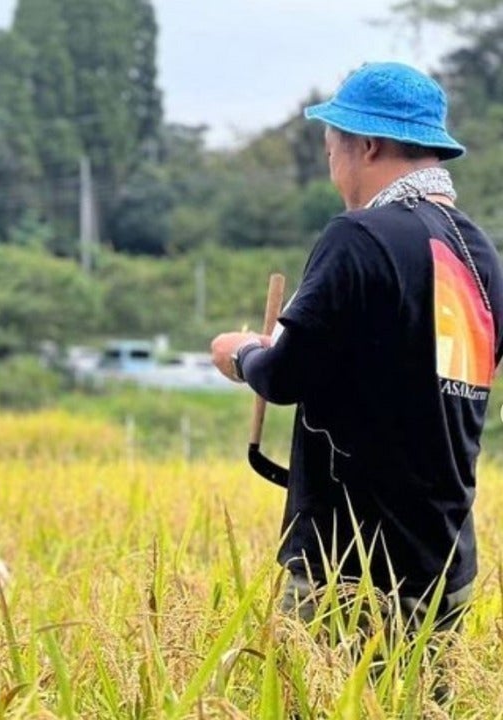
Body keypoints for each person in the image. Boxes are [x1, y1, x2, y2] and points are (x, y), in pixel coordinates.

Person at [211, 62, 503, 633]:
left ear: (366, 146)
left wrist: (242, 352)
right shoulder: (481, 255)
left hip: (351, 572)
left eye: (330, 153)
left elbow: (284, 376)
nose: (333, 171)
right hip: (445, 568)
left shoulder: (359, 236)